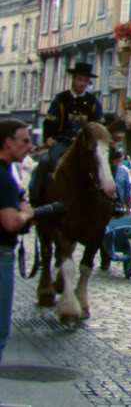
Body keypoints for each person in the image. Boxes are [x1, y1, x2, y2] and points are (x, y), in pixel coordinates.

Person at [28, 62, 103, 206]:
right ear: (73, 79)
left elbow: (99, 125)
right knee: (46, 162)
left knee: (102, 165)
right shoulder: (61, 99)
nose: (82, 84)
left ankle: (111, 200)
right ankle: (36, 198)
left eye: (86, 81)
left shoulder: (93, 102)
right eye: (80, 79)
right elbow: (49, 122)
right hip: (63, 141)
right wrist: (49, 138)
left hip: (84, 144)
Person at [0, 119, 34, 363]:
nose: (30, 146)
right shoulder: (4, 178)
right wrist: (27, 214)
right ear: (8, 143)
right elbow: (10, 222)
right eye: (25, 141)